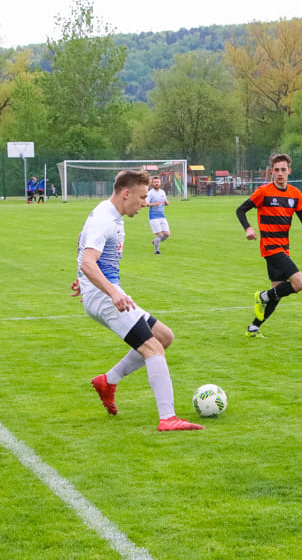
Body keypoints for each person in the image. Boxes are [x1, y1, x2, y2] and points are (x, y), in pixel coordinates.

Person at [71, 169, 203, 432]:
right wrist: (108, 290)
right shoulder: (105, 220)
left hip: (103, 292)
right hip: (106, 298)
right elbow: (88, 261)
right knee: (153, 348)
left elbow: (82, 243)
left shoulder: (108, 212)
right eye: (142, 197)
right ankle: (168, 418)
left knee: (164, 336)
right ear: (126, 193)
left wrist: (84, 279)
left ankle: (108, 381)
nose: (145, 203)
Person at [235, 153, 302, 338]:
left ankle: (253, 328)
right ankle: (262, 297)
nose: (280, 173)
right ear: (272, 171)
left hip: (284, 247)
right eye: (276, 170)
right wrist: (248, 229)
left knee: (277, 293)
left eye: (283, 170)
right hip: (270, 247)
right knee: (299, 283)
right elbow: (241, 209)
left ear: (289, 171)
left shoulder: (295, 194)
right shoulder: (263, 192)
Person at [146, 176, 170, 254]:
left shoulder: (162, 192)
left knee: (166, 234)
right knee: (159, 235)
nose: (156, 183)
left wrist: (166, 203)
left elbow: (165, 201)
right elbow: (145, 204)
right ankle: (156, 251)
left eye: (158, 182)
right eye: (155, 182)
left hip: (162, 216)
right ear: (152, 183)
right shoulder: (150, 193)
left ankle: (155, 241)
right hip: (153, 217)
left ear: (160, 183)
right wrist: (154, 204)